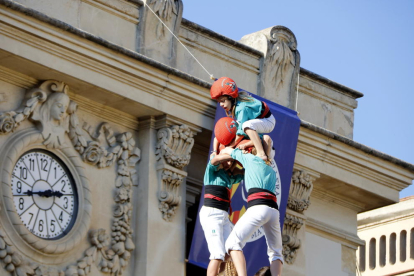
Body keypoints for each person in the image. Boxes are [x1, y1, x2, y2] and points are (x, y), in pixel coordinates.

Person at [219, 146, 283, 276]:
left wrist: (233, 149)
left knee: (233, 243)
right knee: (276, 253)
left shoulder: (250, 159)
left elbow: (227, 151)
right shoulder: (270, 169)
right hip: (273, 211)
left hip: (258, 207)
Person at [199, 143, 244, 276]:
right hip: (212, 214)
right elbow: (215, 160)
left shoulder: (230, 176)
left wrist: (241, 158)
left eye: (231, 161)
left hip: (223, 216)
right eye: (227, 160)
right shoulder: (212, 171)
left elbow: (246, 172)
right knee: (217, 254)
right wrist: (225, 154)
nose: (229, 163)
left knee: (230, 250)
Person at [210, 77, 276, 162]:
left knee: (246, 126)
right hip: (258, 121)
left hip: (268, 121)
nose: (221, 105)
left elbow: (240, 132)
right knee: (230, 128)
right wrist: (216, 151)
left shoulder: (241, 108)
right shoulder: (237, 103)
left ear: (230, 98)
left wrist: (231, 146)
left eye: (223, 101)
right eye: (219, 102)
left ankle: (261, 153)